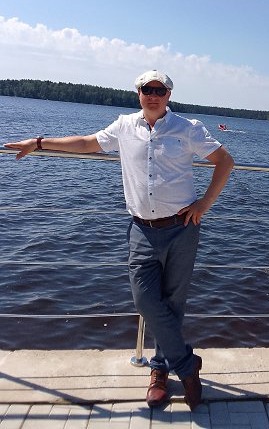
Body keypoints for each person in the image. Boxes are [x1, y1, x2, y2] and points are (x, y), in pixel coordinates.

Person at [4, 69, 234, 410]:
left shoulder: (188, 128)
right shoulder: (124, 126)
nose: (153, 95)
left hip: (182, 228)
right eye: (146, 89)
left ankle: (159, 370)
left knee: (172, 303)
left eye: (159, 90)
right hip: (142, 229)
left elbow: (224, 161)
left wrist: (204, 204)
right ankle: (187, 367)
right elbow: (86, 143)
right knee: (145, 301)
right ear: (138, 93)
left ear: (169, 95)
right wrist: (38, 143)